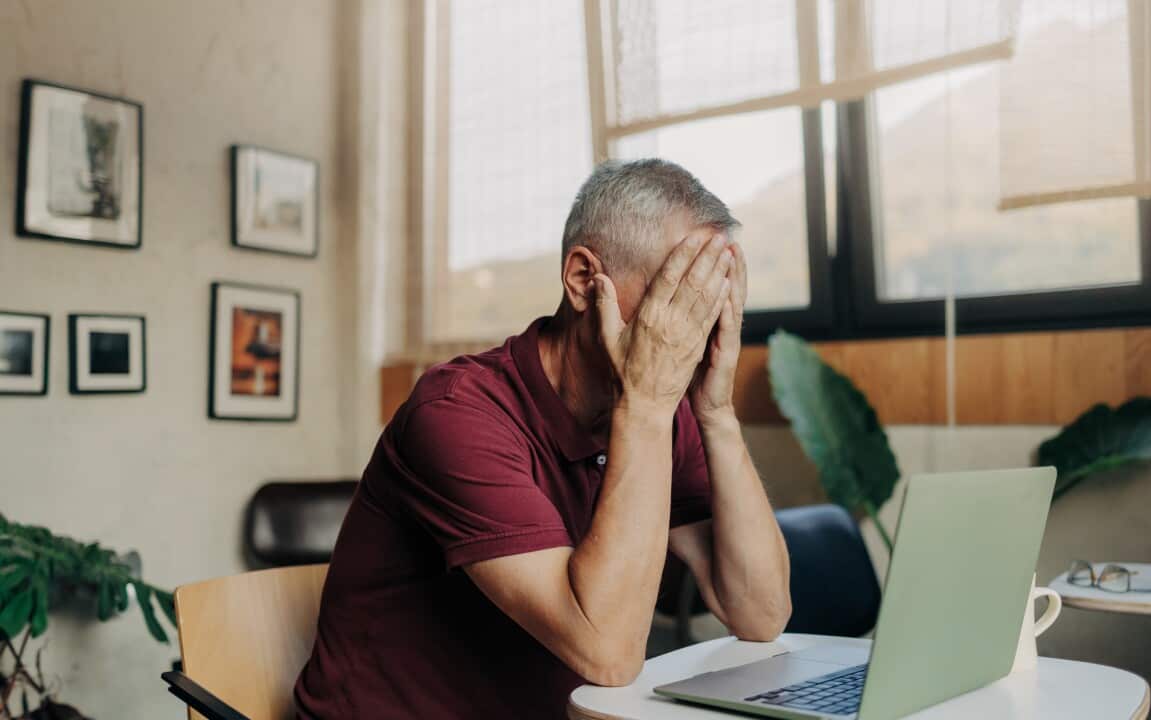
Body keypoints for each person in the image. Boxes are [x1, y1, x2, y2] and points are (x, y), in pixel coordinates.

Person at [294, 159, 792, 719]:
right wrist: (647, 407)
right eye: (679, 295)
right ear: (583, 280)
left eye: (712, 299)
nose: (697, 327)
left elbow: (761, 613)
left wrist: (717, 411)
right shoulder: (458, 412)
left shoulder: (665, 413)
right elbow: (607, 653)